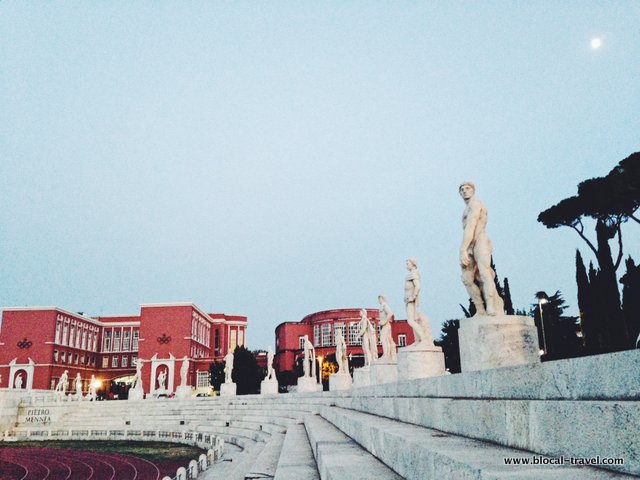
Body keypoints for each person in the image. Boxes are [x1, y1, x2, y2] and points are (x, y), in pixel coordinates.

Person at [459, 182, 504, 316]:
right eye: (462, 190)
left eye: (467, 188)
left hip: (480, 240)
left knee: (484, 274)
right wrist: (466, 248)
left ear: (473, 190)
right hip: (470, 245)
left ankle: (491, 307)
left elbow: (471, 226)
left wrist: (463, 249)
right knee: (467, 279)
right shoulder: (465, 210)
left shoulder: (476, 204)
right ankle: (480, 309)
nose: (464, 191)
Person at [404, 259, 434, 345]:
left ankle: (423, 338)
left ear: (413, 264)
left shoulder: (413, 274)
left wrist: (413, 297)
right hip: (408, 300)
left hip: (411, 300)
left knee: (411, 321)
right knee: (414, 320)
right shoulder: (410, 274)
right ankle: (417, 340)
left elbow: (418, 286)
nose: (406, 265)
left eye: (408, 263)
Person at [378, 295, 397, 361]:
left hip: (386, 325)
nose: (378, 300)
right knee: (386, 339)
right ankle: (387, 354)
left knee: (383, 339)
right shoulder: (382, 306)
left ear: (382, 299)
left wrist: (384, 321)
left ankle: (386, 354)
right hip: (384, 325)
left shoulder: (384, 306)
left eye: (379, 299)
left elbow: (390, 313)